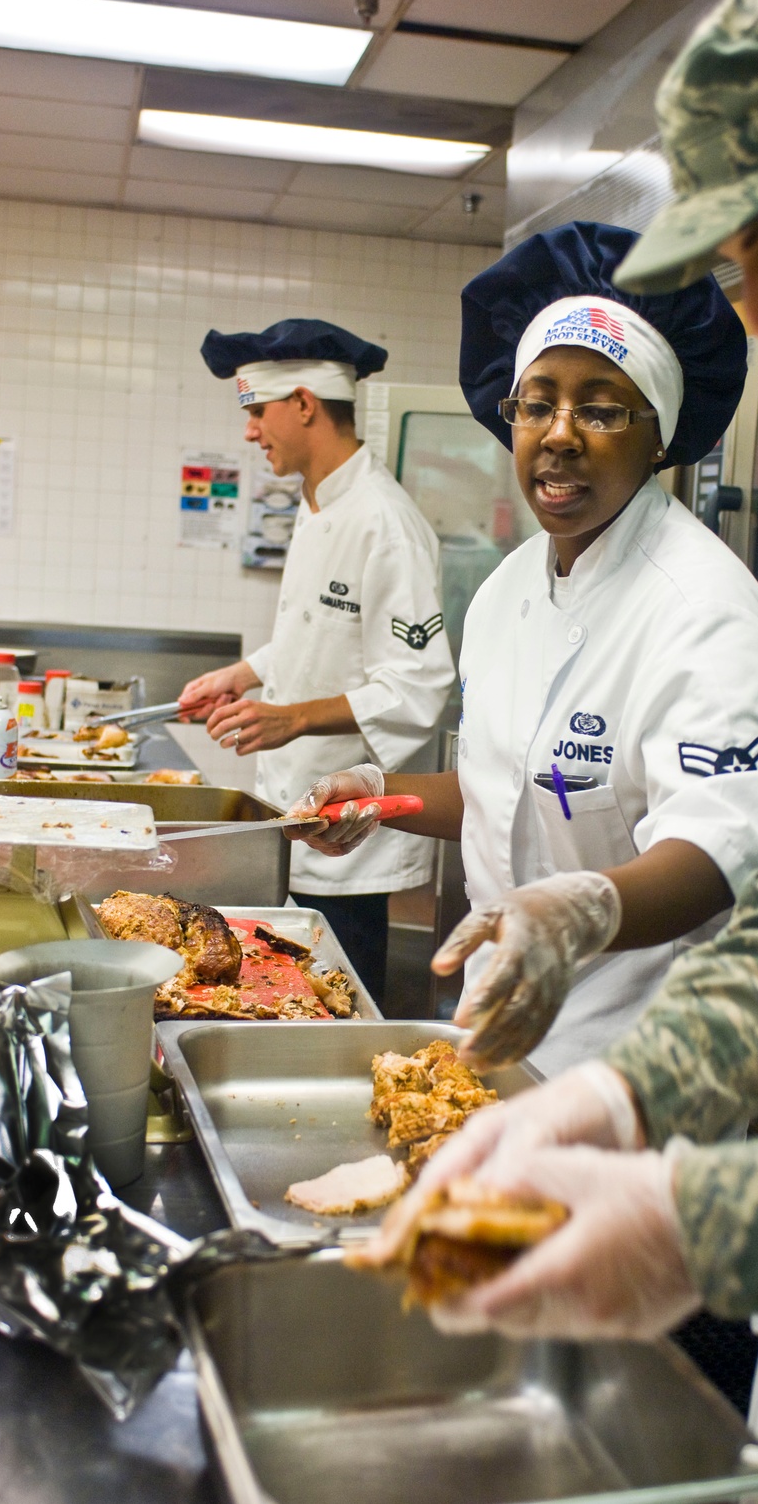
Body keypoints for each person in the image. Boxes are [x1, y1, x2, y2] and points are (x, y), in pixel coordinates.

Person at [361, 1, 758, 1501]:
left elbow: (745, 837)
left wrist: (717, 1222)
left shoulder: (700, 594)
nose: (757, 310)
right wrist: (633, 1099)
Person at [289, 223, 758, 1076]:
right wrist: (383, 797)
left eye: (601, 408)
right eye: (537, 403)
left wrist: (581, 911)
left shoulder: (701, 606)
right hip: (495, 1018)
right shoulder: (507, 591)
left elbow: (719, 849)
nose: (559, 434)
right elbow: (515, 786)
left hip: (635, 1054)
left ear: (659, 434)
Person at [178, 318, 455, 1003]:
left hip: (347, 832)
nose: (250, 432)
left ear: (304, 404)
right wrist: (242, 675)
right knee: (283, 993)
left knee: (332, 1004)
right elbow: (319, 636)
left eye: (256, 411)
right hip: (292, 808)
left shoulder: (386, 524)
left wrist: (292, 720)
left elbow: (419, 684)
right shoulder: (315, 507)